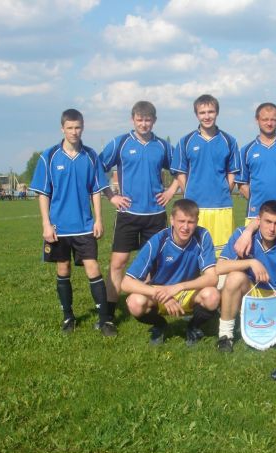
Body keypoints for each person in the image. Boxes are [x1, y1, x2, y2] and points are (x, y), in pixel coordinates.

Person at [30, 108, 115, 336]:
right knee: (63, 268)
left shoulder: (90, 156)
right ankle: (68, 317)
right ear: (62, 128)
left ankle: (104, 320)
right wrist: (46, 224)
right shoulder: (49, 156)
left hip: (84, 225)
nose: (74, 132)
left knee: (93, 267)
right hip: (59, 227)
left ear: (83, 128)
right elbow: (43, 193)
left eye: (77, 127)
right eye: (70, 127)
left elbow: (96, 190)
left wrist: (98, 219)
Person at [99, 101, 179, 330]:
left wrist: (171, 191)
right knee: (118, 262)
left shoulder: (162, 146)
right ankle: (108, 315)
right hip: (128, 214)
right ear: (132, 119)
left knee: (154, 265)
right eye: (139, 120)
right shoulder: (121, 143)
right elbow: (97, 168)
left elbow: (181, 170)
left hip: (155, 215)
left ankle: (151, 309)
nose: (144, 124)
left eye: (148, 120)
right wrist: (111, 196)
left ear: (154, 120)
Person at [120, 199, 219, 346]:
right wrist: (161, 294)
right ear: (172, 220)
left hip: (187, 291)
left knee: (212, 296)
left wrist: (179, 287)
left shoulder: (202, 236)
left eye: (191, 222)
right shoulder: (159, 240)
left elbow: (212, 278)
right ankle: (160, 325)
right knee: (135, 303)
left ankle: (193, 326)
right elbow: (126, 283)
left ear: (197, 221)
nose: (185, 227)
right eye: (181, 221)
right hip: (159, 291)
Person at [216, 200, 276, 352]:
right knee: (234, 278)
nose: (272, 228)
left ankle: (275, 329)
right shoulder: (243, 235)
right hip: (252, 290)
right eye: (268, 221)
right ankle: (225, 336)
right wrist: (251, 262)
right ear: (258, 220)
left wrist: (265, 305)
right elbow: (219, 267)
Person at [172, 94, 239, 256]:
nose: (207, 116)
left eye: (211, 112)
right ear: (196, 115)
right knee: (193, 254)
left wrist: (224, 190)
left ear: (217, 113)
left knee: (222, 255)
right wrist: (189, 193)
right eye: (202, 113)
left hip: (221, 207)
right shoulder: (185, 141)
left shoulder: (229, 141)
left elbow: (232, 172)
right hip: (195, 208)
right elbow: (180, 172)